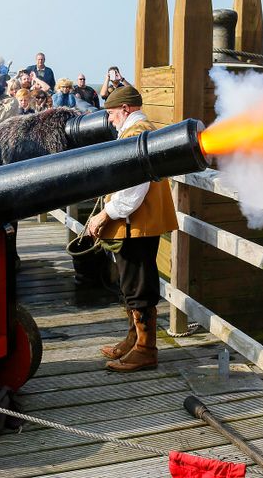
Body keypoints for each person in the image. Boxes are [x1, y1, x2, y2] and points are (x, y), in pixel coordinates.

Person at [86, 85, 178, 372]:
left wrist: (105, 214)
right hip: (134, 225)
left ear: (125, 110)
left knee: (138, 287)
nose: (110, 119)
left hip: (134, 225)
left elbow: (133, 190)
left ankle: (145, 349)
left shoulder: (136, 135)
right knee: (130, 285)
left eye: (112, 113)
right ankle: (133, 340)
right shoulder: (140, 133)